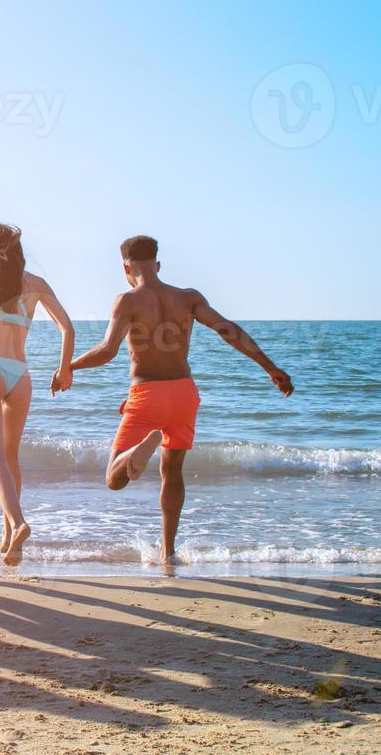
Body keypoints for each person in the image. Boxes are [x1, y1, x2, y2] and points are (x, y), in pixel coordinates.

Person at [69, 235, 294, 564]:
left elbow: (107, 351)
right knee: (172, 472)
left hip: (147, 393)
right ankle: (168, 551)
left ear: (126, 268)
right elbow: (228, 330)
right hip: (184, 394)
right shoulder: (188, 298)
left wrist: (68, 366)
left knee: (114, 479)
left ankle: (140, 447)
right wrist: (270, 368)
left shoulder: (127, 301)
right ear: (158, 265)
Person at [0, 222, 76, 567]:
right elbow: (68, 328)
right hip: (20, 375)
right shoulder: (38, 285)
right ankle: (10, 540)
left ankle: (17, 522)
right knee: (10, 455)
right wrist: (64, 369)